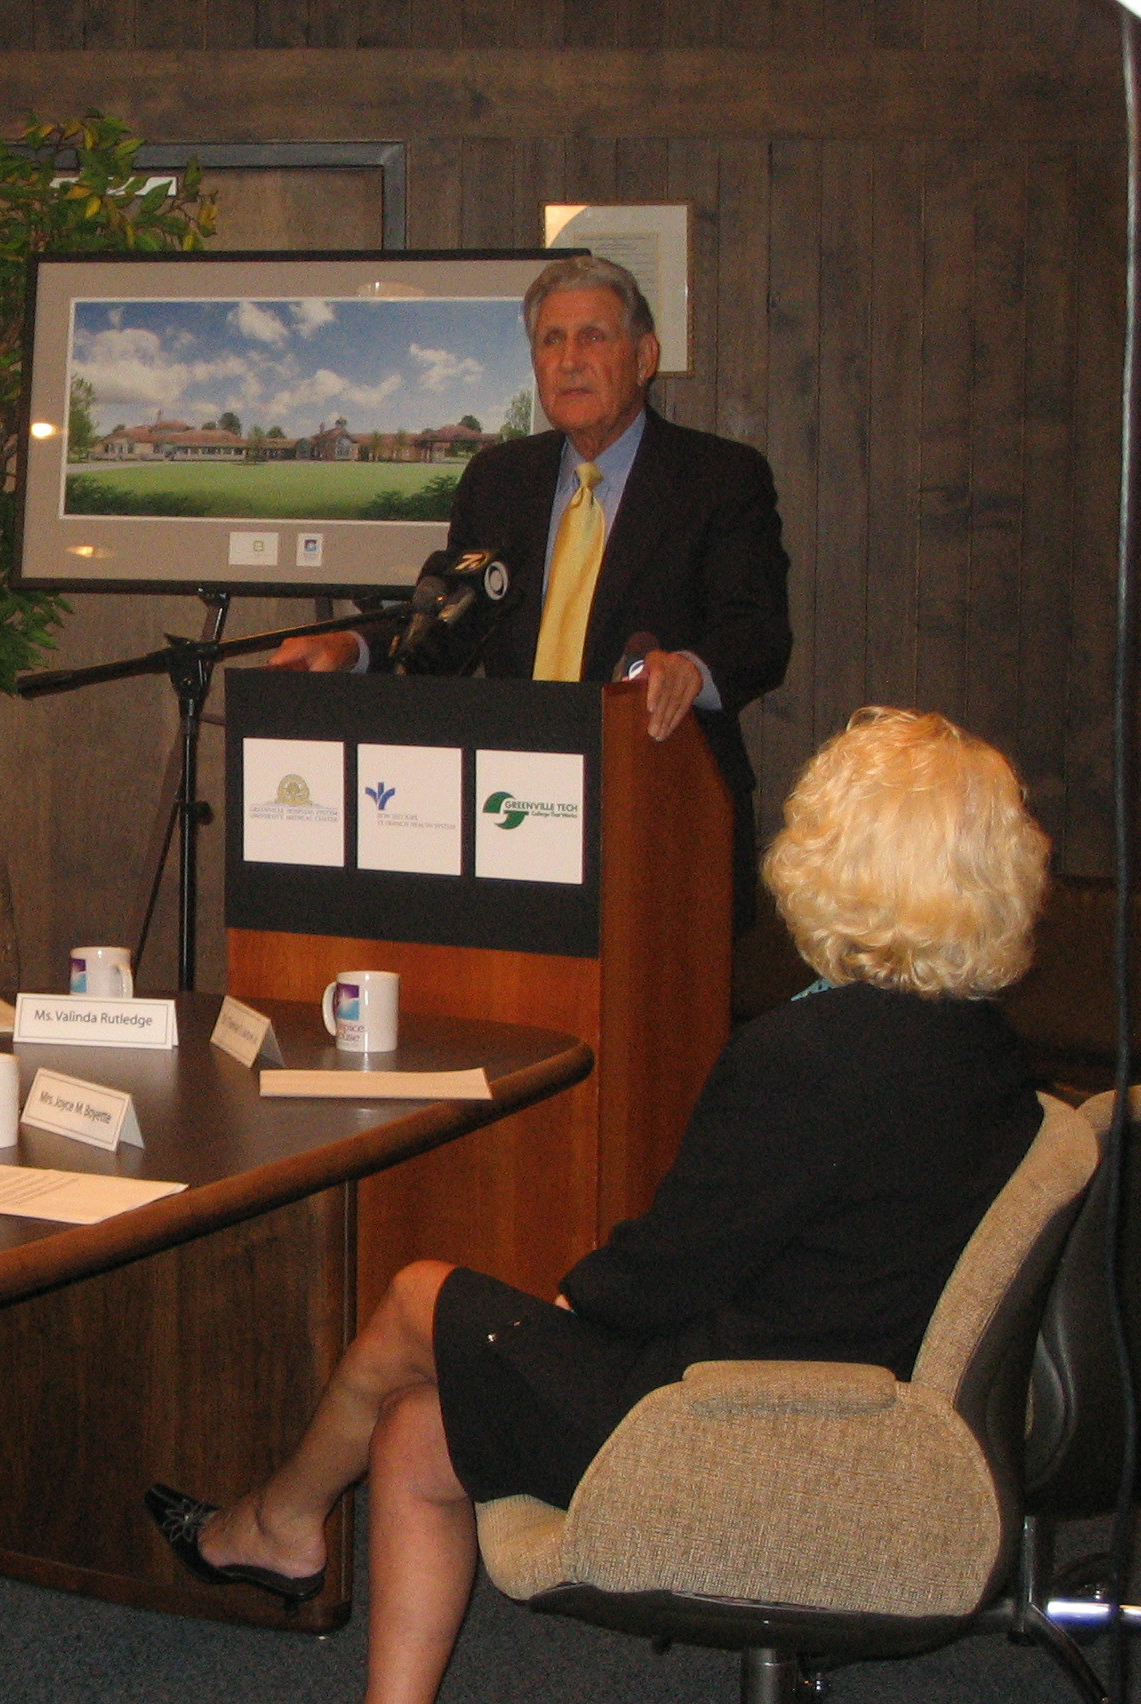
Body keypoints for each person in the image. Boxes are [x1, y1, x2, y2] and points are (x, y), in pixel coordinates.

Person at [146, 707, 1048, 1704]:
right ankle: (297, 1550)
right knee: (414, 1431)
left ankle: (278, 1522)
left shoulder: (812, 1057)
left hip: (727, 1421)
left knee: (416, 1297)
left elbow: (667, 1270)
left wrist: (567, 1311)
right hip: (836, 1396)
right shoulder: (987, 1054)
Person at [272, 254, 792, 919]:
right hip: (510, 813)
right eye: (551, 341)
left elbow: (759, 637)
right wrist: (354, 647)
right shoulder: (499, 480)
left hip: (661, 814)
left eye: (593, 337)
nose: (569, 359)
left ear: (644, 355)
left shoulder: (718, 478)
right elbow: (447, 620)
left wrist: (692, 670)